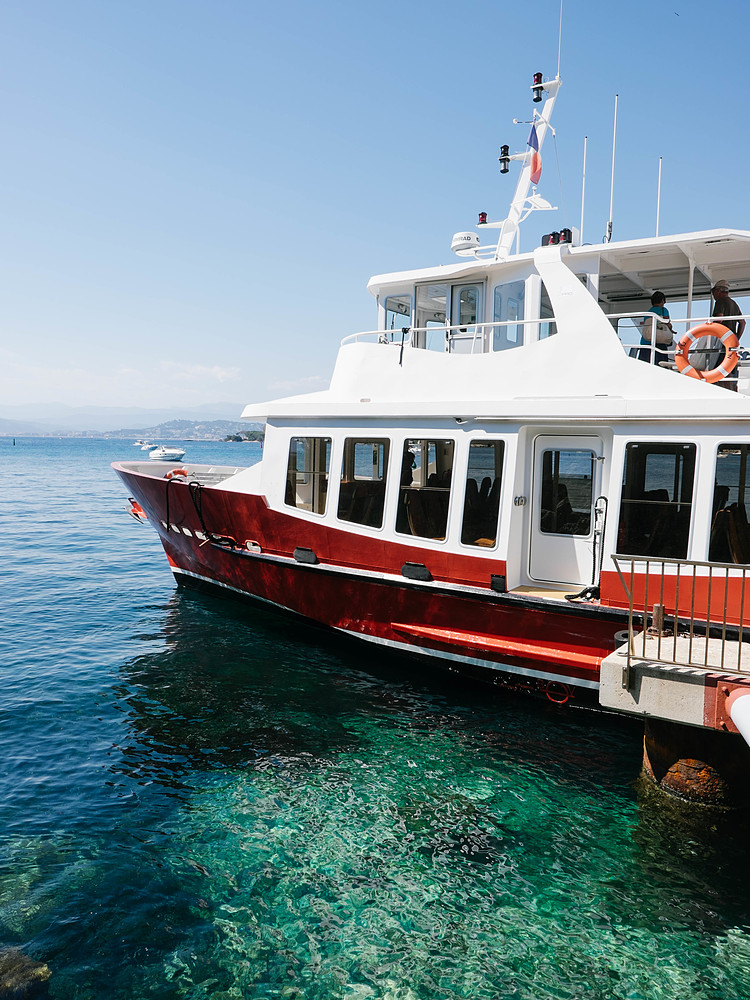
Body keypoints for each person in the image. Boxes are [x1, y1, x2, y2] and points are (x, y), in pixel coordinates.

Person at [709, 279, 745, 390]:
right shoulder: (733, 303)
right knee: (729, 365)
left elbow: (719, 318)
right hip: (732, 340)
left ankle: (724, 389)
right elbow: (742, 322)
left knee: (721, 366)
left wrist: (708, 328)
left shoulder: (720, 302)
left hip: (722, 340)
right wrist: (737, 338)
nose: (713, 295)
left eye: (713, 292)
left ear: (718, 291)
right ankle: (731, 389)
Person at [636, 291, 673, 365]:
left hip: (645, 343)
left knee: (645, 365)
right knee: (660, 366)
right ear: (663, 300)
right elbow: (667, 324)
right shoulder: (664, 310)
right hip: (659, 343)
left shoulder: (649, 311)